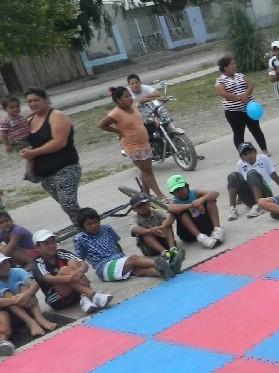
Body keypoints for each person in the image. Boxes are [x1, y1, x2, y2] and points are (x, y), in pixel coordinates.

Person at [21, 88, 82, 222]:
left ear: (46, 99)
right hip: (45, 175)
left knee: (69, 204)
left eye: (36, 100)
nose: (33, 104)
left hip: (65, 168)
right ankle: (86, 227)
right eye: (29, 101)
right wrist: (23, 150)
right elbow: (22, 141)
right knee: (67, 207)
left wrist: (33, 153)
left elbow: (59, 142)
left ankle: (90, 229)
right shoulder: (29, 120)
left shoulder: (56, 116)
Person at [99, 86, 168, 202]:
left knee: (145, 170)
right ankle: (160, 196)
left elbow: (142, 107)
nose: (130, 98)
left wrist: (156, 106)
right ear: (118, 100)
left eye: (130, 95)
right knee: (147, 172)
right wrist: (119, 131)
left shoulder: (133, 106)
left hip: (144, 143)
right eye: (126, 97)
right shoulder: (115, 113)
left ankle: (146, 195)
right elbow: (102, 125)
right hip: (133, 146)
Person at [72, 208, 174, 281]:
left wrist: (123, 258)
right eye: (89, 224)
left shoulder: (106, 228)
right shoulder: (79, 239)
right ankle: (168, 264)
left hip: (119, 260)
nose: (94, 226)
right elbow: (79, 259)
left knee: (139, 271)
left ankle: (166, 271)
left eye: (96, 222)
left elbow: (116, 245)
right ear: (82, 226)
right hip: (104, 268)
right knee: (134, 259)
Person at [31, 230, 112, 314]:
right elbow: (48, 278)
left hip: (75, 291)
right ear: (37, 248)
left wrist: (80, 271)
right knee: (64, 270)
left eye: (53, 242)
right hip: (57, 298)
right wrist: (71, 278)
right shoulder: (38, 263)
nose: (51, 245)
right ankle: (92, 295)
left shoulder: (61, 253)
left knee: (73, 262)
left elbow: (83, 264)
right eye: (46, 244)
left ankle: (85, 298)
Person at [216, 56, 269, 154]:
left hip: (249, 108)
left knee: (256, 129)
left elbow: (250, 85)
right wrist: (239, 98)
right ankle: (243, 154)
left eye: (234, 63)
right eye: (231, 64)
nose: (234, 66)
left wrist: (246, 95)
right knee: (239, 133)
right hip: (234, 112)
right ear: (225, 67)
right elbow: (223, 93)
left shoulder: (240, 75)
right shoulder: (220, 80)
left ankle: (265, 150)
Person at [228, 142, 279, 220]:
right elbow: (239, 181)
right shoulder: (240, 164)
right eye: (245, 154)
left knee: (251, 173)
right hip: (250, 196)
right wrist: (239, 198)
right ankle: (232, 208)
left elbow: (273, 174)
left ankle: (259, 206)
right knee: (233, 175)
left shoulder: (263, 158)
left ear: (255, 152)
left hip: (265, 194)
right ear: (242, 157)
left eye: (250, 152)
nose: (249, 156)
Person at [0, 253, 57, 337]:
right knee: (5, 293)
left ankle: (40, 318)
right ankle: (30, 322)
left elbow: (34, 285)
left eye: (5, 263)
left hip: (29, 304)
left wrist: (24, 295)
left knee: (22, 285)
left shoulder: (17, 271)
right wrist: (15, 299)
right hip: (13, 314)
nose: (3, 267)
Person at [130, 194, 185, 273]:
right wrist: (150, 231)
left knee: (167, 226)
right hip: (149, 248)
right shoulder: (134, 218)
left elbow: (169, 219)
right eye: (139, 206)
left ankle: (173, 250)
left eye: (144, 204)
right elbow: (134, 229)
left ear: (148, 203)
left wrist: (161, 227)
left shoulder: (156, 211)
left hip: (163, 239)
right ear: (134, 209)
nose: (143, 207)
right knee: (145, 233)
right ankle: (165, 254)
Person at [166, 175, 222, 248]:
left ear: (187, 187)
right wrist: (191, 205)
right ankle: (200, 237)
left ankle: (217, 230)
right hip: (189, 234)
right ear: (172, 193)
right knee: (180, 212)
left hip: (206, 226)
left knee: (210, 200)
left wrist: (201, 200)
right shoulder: (174, 202)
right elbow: (170, 209)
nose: (180, 192)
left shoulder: (194, 193)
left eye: (181, 188)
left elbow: (215, 193)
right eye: (176, 190)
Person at [1, 96, 36, 182]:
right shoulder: (6, 120)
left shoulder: (19, 116)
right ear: (5, 109)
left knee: (34, 153)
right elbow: (3, 133)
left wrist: (34, 114)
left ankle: (33, 171)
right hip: (18, 141)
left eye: (17, 106)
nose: (15, 109)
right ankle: (29, 173)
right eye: (12, 107)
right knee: (30, 155)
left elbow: (26, 118)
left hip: (27, 138)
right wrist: (7, 144)